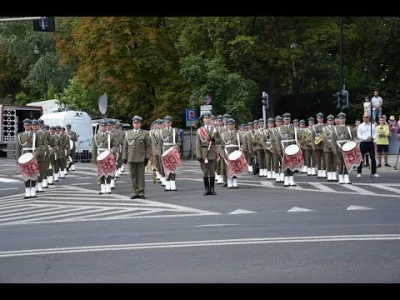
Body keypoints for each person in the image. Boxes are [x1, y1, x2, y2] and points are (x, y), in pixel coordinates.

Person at [122, 115, 151, 199]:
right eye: (134, 123)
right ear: (132, 124)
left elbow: (148, 146)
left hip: (141, 157)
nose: (135, 124)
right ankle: (135, 192)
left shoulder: (145, 133)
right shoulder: (128, 133)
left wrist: (147, 157)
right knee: (133, 176)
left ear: (140, 124)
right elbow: (125, 146)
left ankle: (141, 192)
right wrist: (124, 157)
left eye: (137, 123)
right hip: (131, 157)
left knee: (141, 176)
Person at [196, 111, 220, 196]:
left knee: (213, 172)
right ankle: (206, 189)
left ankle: (212, 189)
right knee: (205, 172)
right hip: (204, 153)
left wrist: (214, 140)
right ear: (203, 119)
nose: (207, 120)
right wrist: (198, 155)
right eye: (206, 118)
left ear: (211, 119)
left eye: (209, 118)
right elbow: (198, 144)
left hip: (213, 152)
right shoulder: (200, 131)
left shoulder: (215, 129)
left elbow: (220, 141)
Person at [15, 119, 40, 198]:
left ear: (31, 126)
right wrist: (17, 159)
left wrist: (36, 153)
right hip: (24, 157)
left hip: (32, 156)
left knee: (33, 174)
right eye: (26, 125)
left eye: (28, 125)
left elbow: (40, 146)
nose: (27, 126)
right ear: (24, 126)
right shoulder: (20, 135)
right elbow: (18, 148)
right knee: (25, 175)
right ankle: (27, 192)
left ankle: (33, 191)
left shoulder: (36, 134)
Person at [92, 120, 118, 194]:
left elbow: (115, 145)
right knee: (101, 172)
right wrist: (94, 159)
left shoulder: (110, 135)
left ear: (107, 127)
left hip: (108, 156)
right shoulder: (96, 136)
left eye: (104, 126)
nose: (103, 127)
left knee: (109, 172)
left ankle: (108, 186)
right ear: (99, 127)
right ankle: (102, 187)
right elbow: (94, 148)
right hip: (100, 156)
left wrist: (112, 150)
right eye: (102, 126)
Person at [160, 116, 181, 192]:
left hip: (173, 150)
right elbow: (160, 143)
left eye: (169, 122)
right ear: (164, 123)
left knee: (173, 168)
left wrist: (177, 146)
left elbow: (179, 141)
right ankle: (167, 185)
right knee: (166, 168)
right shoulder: (161, 131)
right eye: (166, 122)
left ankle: (173, 185)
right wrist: (160, 153)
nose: (167, 124)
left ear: (171, 123)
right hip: (165, 151)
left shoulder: (175, 130)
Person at [357, 112, 379, 178]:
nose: (366, 118)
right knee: (361, 158)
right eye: (364, 117)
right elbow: (359, 135)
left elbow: (375, 134)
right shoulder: (360, 126)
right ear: (363, 118)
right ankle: (359, 172)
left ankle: (374, 172)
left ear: (369, 118)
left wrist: (373, 137)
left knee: (373, 158)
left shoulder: (372, 125)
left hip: (370, 143)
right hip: (363, 143)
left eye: (367, 117)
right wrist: (366, 138)